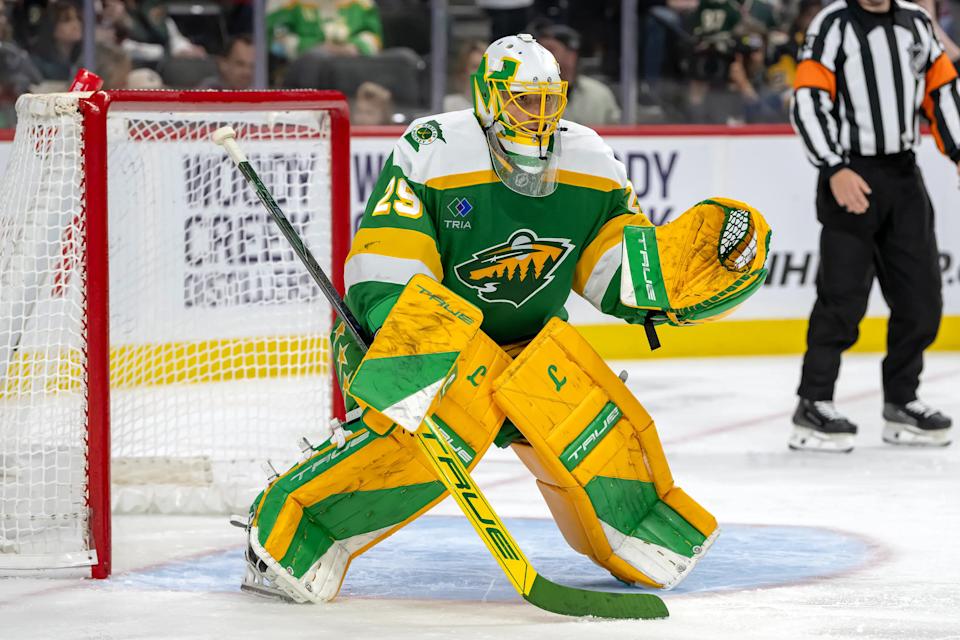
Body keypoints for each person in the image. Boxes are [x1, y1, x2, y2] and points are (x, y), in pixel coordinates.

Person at [236, 34, 771, 604]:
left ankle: (638, 531)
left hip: (524, 348)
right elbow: (389, 255)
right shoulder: (433, 146)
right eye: (522, 100)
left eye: (548, 101)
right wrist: (403, 336)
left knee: (592, 434)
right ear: (487, 98)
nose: (537, 117)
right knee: (410, 444)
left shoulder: (591, 160)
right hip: (420, 337)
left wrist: (666, 283)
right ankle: (289, 530)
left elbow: (610, 265)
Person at [789, 0, 960, 452]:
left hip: (904, 177)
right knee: (841, 299)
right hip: (851, 173)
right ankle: (813, 401)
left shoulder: (916, 22)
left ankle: (902, 400)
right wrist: (833, 167)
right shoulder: (833, 24)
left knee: (922, 298)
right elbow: (807, 99)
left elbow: (941, 90)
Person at [534, 23, 622, 126]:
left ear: (571, 55)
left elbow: (617, 135)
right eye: (539, 51)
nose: (542, 56)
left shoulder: (599, 94)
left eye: (550, 50)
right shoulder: (529, 93)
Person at [266, 0, 382, 61]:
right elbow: (276, 41)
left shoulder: (362, 2)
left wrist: (355, 47)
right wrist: (315, 49)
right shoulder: (284, 2)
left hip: (351, 71)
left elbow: (373, 37)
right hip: (301, 78)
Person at [29, 0, 82, 82]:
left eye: (78, 18)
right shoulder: (37, 65)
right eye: (67, 20)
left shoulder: (86, 58)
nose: (76, 24)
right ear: (51, 27)